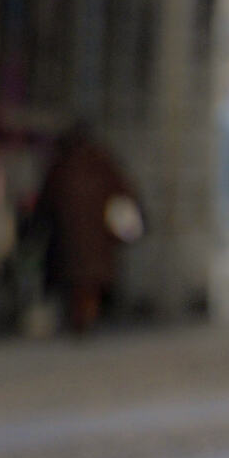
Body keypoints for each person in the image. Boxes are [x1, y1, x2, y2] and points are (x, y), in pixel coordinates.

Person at [32, 123, 141, 336]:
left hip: (68, 243)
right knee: (90, 283)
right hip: (98, 243)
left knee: (75, 281)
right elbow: (124, 192)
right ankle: (87, 316)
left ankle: (79, 318)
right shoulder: (102, 162)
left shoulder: (60, 166)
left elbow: (45, 203)